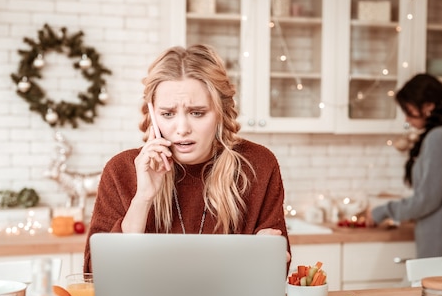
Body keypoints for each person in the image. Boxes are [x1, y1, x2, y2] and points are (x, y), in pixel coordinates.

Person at [83, 44, 290, 273]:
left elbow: (277, 270)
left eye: (197, 113)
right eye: (168, 114)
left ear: (220, 113)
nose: (182, 129)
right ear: (152, 115)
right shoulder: (121, 170)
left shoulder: (258, 165)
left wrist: (270, 254)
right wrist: (142, 199)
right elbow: (95, 275)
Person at [368, 73, 442, 258]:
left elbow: (427, 200)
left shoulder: (438, 138)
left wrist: (383, 211)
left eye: (408, 110)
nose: (407, 120)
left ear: (428, 106)